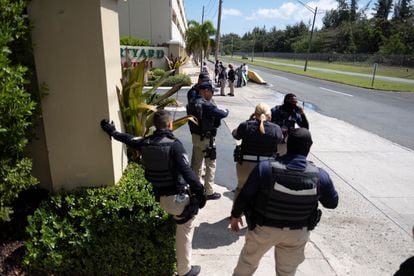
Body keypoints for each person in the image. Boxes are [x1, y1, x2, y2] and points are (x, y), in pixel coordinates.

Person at [100, 110, 206, 276]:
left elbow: (128, 139)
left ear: (155, 125)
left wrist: (111, 131)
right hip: (177, 200)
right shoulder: (174, 145)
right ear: (170, 124)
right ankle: (185, 271)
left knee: (183, 221)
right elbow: (189, 174)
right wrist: (201, 196)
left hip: (162, 198)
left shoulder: (145, 143)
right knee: (185, 229)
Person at [230, 128, 339, 276]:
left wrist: (235, 216)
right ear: (310, 146)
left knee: (247, 265)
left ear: (287, 144)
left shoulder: (265, 168)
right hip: (297, 233)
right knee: (286, 272)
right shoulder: (320, 176)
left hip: (264, 229)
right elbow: (332, 203)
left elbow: (245, 195)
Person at [187, 82, 229, 200]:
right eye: (211, 92)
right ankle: (209, 191)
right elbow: (221, 114)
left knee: (196, 164)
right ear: (205, 91)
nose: (212, 95)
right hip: (207, 139)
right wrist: (226, 110)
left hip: (195, 137)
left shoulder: (191, 102)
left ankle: (195, 189)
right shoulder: (206, 104)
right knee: (210, 164)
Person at [232, 103, 283, 200]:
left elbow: (235, 134)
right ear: (269, 115)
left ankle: (236, 214)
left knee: (241, 189)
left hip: (246, 164)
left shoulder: (246, 125)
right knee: (262, 192)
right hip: (266, 166)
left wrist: (249, 121)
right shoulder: (276, 128)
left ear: (255, 113)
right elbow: (280, 140)